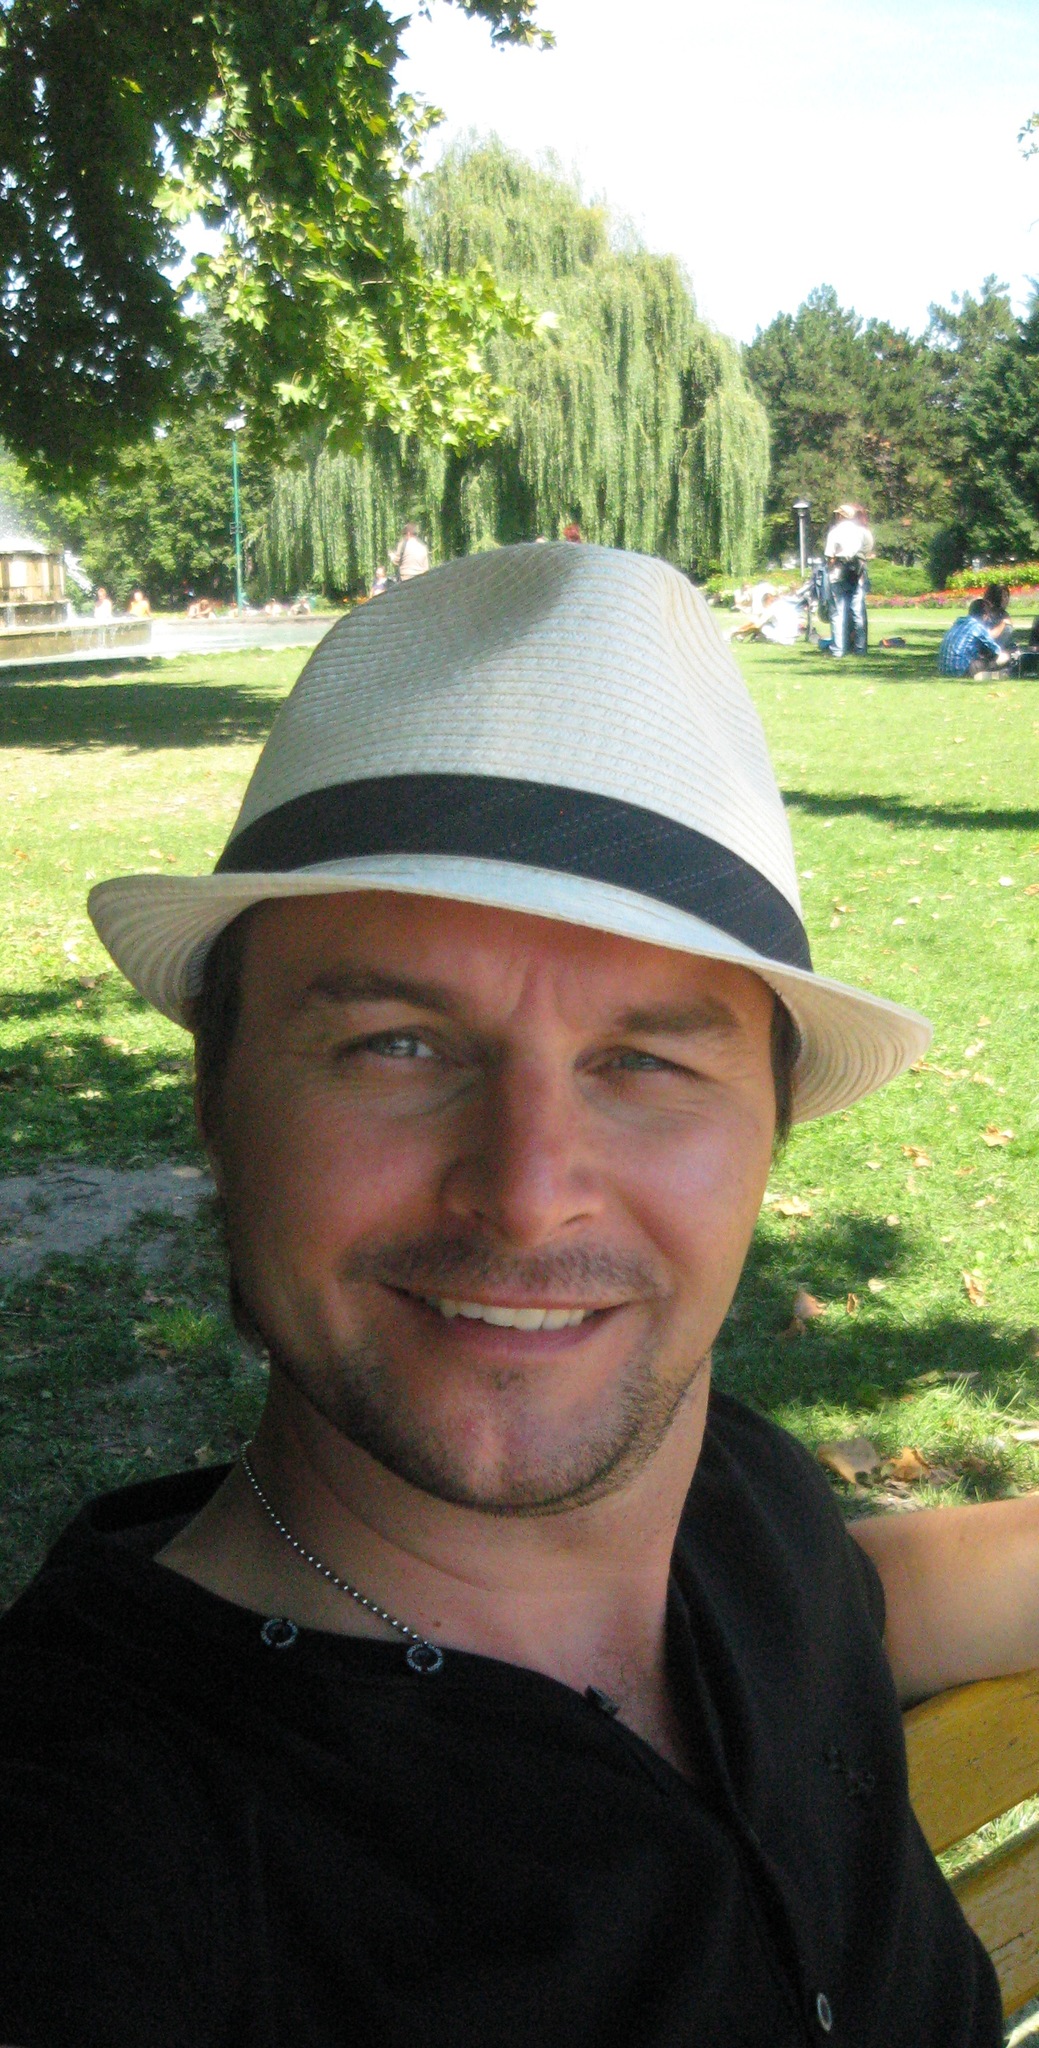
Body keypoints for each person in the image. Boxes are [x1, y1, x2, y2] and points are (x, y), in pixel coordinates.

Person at [5, 542, 1034, 2048]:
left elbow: (854, 1605)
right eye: (395, 1044)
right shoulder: (94, 1858)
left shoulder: (730, 1499)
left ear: (767, 1134)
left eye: (644, 1061)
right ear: (215, 1106)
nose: (527, 1188)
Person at [823, 501, 874, 656]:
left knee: (838, 613)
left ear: (840, 516)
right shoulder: (862, 532)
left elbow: (830, 556)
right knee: (858, 612)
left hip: (838, 573)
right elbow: (868, 549)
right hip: (858, 573)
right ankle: (860, 648)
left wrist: (830, 567)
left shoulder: (835, 532)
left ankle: (838, 649)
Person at [938, 597, 1011, 679]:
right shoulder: (977, 627)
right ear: (984, 616)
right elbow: (995, 650)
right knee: (1003, 657)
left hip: (943, 670)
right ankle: (994, 675)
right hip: (961, 671)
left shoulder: (958, 622)